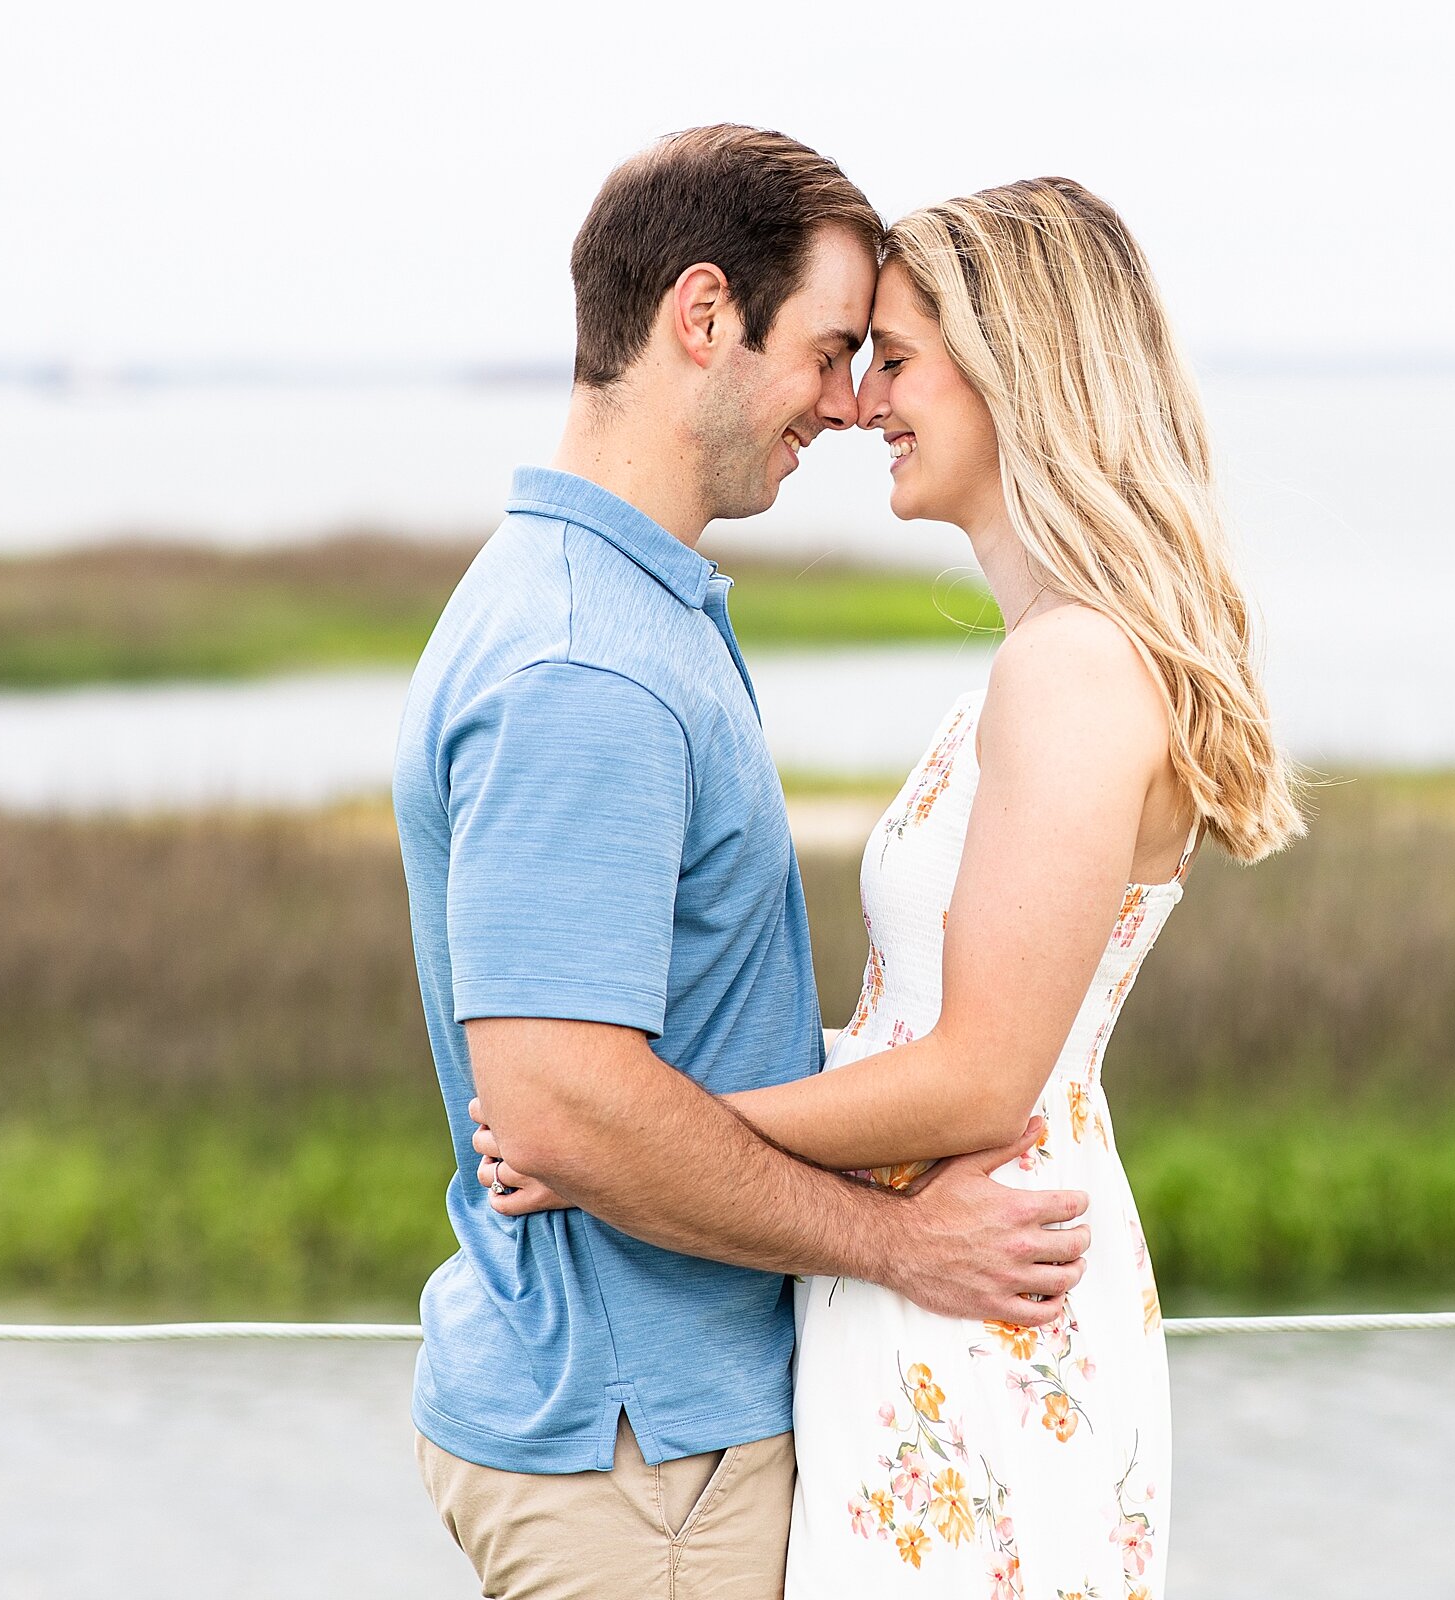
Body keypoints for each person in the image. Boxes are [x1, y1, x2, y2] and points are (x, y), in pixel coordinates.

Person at [480, 178, 1305, 1599]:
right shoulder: (1055, 657)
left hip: (975, 1277)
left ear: (1017, 375)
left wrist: (632, 1140)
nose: (863, 405)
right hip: (939, 1265)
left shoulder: (1071, 670)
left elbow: (980, 1076)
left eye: (899, 360)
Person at [392, 128, 1094, 1600]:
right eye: (831, 349)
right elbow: (566, 1112)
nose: (847, 405)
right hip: (646, 1461)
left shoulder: (619, 607)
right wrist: (903, 1247)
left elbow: (601, 1087)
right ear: (701, 318)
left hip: (664, 1444)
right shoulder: (590, 661)